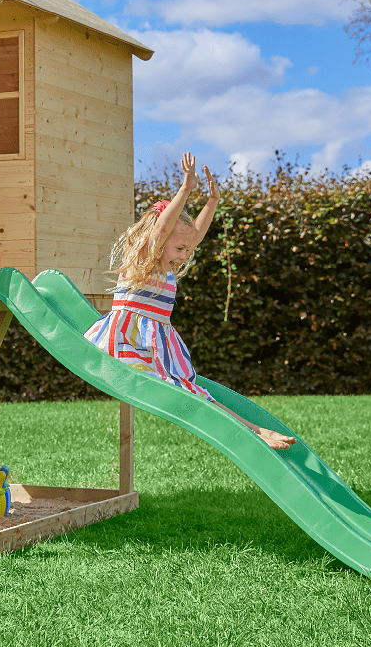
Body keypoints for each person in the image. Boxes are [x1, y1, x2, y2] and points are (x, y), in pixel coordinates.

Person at [85, 152, 296, 450]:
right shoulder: (146, 260)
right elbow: (161, 231)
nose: (186, 255)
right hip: (129, 344)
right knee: (191, 396)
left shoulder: (167, 267)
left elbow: (192, 235)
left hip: (155, 344)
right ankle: (255, 432)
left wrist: (212, 202)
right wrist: (185, 190)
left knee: (195, 393)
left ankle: (257, 430)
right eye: (181, 248)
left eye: (188, 250)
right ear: (160, 238)